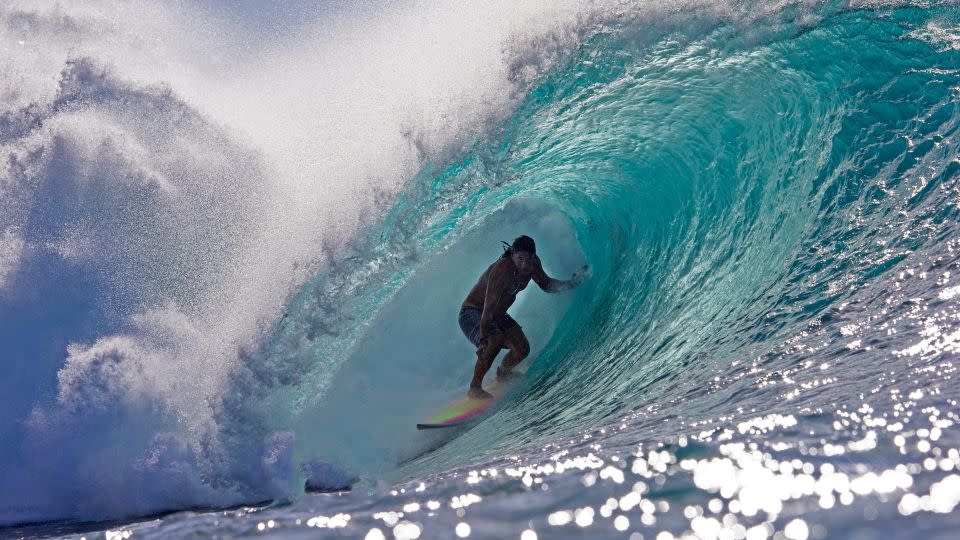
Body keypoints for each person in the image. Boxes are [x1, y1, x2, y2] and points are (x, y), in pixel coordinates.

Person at [458, 235, 588, 399]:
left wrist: (570, 283)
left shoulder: (533, 265)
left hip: (497, 315)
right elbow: (488, 309)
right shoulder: (501, 271)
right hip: (473, 312)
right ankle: (474, 388)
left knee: (522, 349)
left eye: (529, 259)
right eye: (520, 259)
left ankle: (503, 374)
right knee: (494, 340)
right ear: (512, 255)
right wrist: (483, 339)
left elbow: (546, 284)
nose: (525, 264)